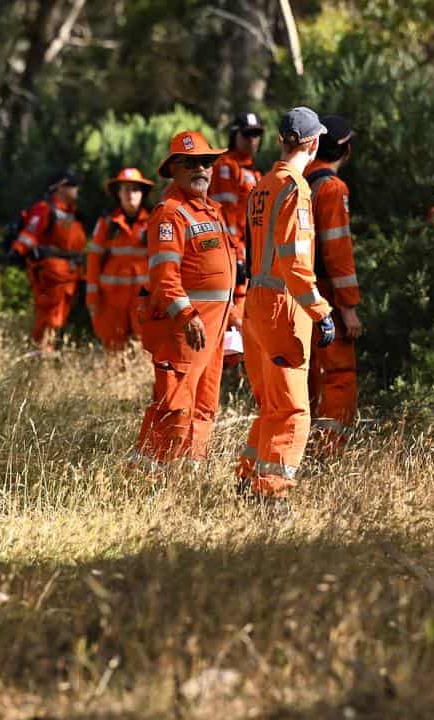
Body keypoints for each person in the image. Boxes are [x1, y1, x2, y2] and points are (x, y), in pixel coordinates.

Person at [235, 107, 336, 505]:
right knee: (293, 411)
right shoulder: (296, 190)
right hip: (283, 308)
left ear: (281, 141)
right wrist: (321, 311)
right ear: (312, 144)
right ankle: (271, 498)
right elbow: (295, 263)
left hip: (256, 305)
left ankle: (247, 483)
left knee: (270, 406)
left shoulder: (261, 186)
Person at [131, 131, 234, 469]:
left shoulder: (210, 211)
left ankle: (190, 470)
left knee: (204, 403)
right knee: (174, 405)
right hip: (184, 331)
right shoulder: (170, 214)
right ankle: (148, 475)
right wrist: (186, 316)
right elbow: (164, 278)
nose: (200, 169)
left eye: (206, 162)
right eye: (190, 163)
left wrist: (230, 315)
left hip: (212, 331)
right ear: (173, 168)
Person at [304, 115, 363, 449]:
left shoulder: (297, 183)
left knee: (309, 373)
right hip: (326, 295)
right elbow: (338, 253)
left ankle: (305, 445)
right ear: (345, 150)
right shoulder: (332, 188)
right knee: (338, 375)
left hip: (298, 296)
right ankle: (328, 450)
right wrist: (349, 307)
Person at [10, 169, 88, 353]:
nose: (77, 189)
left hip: (69, 277)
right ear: (61, 188)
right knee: (47, 320)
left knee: (56, 321)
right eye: (73, 185)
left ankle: (46, 354)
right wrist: (17, 251)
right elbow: (29, 235)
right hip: (50, 276)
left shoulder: (72, 214)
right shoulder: (45, 210)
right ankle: (40, 358)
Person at [87, 167, 155, 351]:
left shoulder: (154, 223)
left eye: (135, 189)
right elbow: (93, 260)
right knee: (114, 349)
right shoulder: (107, 223)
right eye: (125, 189)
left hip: (144, 299)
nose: (130, 195)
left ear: (142, 194)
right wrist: (92, 298)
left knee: (146, 349)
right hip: (112, 300)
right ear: (118, 193)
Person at [210, 111, 265, 329]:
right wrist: (236, 256)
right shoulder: (225, 166)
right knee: (233, 313)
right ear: (235, 135)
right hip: (233, 252)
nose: (253, 139)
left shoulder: (254, 172)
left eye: (256, 134)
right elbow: (225, 215)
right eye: (247, 134)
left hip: (249, 252)